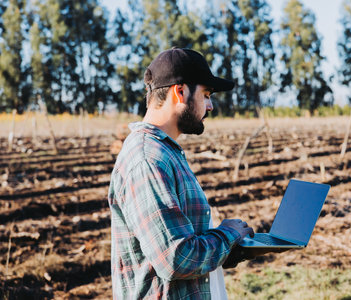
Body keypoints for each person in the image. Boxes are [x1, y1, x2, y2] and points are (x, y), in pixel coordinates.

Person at [108, 48, 273, 299]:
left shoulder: (165, 152)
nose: (210, 106)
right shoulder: (147, 159)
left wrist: (239, 248)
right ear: (180, 91)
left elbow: (186, 244)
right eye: (206, 95)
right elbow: (175, 258)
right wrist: (228, 233)